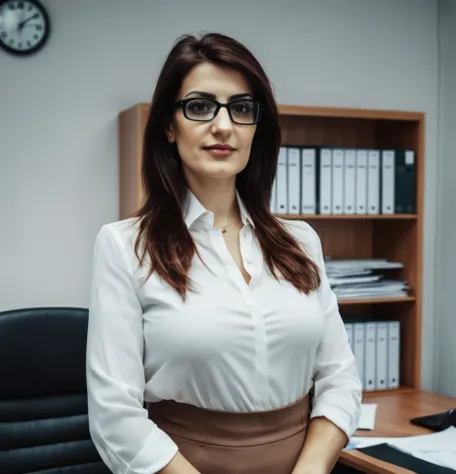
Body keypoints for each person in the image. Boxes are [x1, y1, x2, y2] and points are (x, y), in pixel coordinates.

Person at [86, 32, 362, 474]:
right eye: (199, 106)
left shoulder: (301, 242)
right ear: (169, 126)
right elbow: (115, 416)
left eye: (241, 108)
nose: (223, 125)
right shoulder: (125, 247)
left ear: (257, 126)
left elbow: (339, 379)